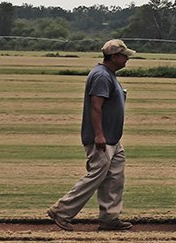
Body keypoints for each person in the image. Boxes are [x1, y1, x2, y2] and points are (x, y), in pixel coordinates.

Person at [47, 39, 135, 232]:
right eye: (124, 55)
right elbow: (96, 107)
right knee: (96, 175)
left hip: (113, 139)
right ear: (114, 56)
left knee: (114, 177)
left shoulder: (108, 75)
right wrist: (99, 135)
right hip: (102, 139)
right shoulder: (101, 76)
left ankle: (109, 218)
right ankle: (62, 211)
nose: (127, 59)